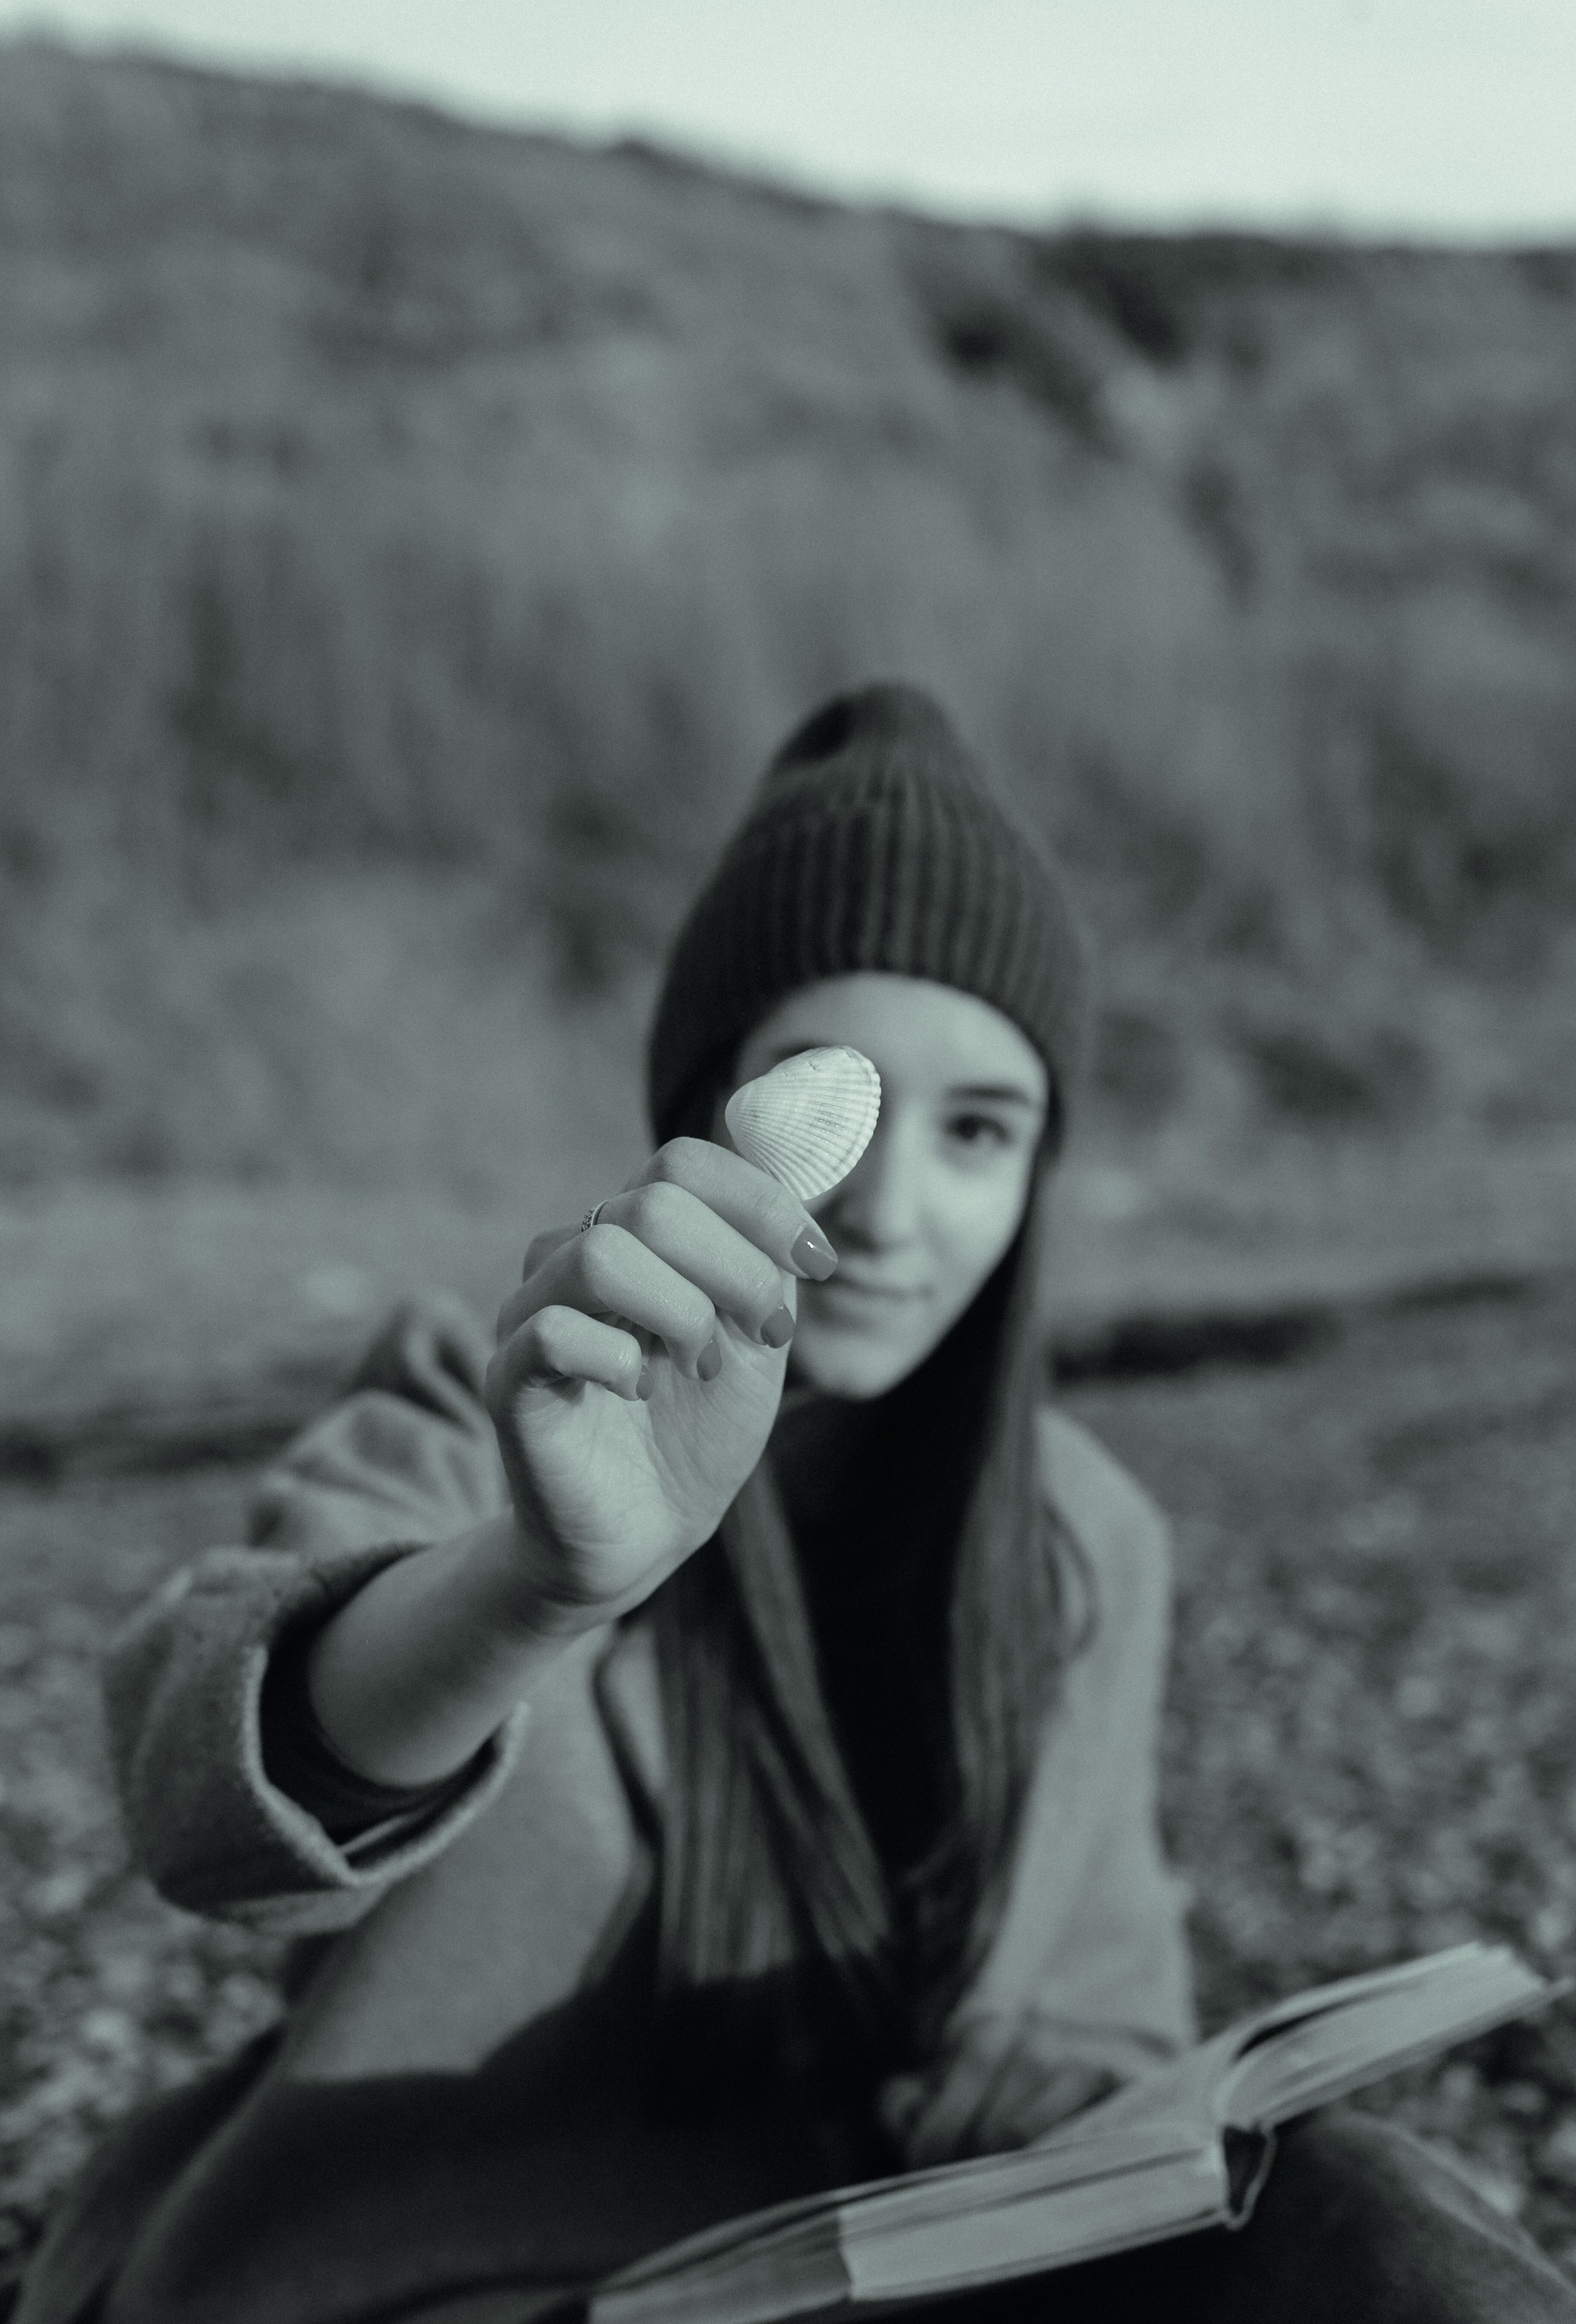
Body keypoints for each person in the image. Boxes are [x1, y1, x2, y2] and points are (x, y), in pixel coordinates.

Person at [19, 685, 1575, 2324]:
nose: (898, 1211)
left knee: (1368, 2205)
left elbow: (1114, 2014)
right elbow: (202, 1806)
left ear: (1042, 1176)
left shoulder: (1080, 1539)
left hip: (880, 2286)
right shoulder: (499, 1411)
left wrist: (1045, 2079)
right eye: (848, 1114)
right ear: (706, 1111)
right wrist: (538, 1584)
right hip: (455, 2291)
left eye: (983, 1130)